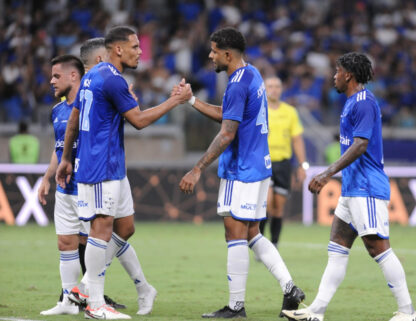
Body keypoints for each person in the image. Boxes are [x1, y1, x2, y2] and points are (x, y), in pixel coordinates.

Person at [56, 26, 191, 320]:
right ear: (117, 49)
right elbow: (139, 121)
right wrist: (175, 101)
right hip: (100, 165)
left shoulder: (94, 76)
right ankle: (94, 303)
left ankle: (114, 288)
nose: (140, 52)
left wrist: (67, 158)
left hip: (114, 166)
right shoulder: (111, 79)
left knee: (125, 227)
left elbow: (76, 116)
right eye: (134, 47)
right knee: (100, 229)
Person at [282, 52, 416, 321]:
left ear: (349, 75)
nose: (334, 75)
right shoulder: (350, 103)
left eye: (337, 71)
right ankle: (316, 311)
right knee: (337, 249)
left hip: (367, 187)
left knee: (378, 249)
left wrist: (327, 173)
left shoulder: (365, 102)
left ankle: (408, 312)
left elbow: (361, 144)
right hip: (352, 188)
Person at [178, 27, 305, 319]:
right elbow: (229, 113)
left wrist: (197, 169)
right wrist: (192, 101)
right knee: (252, 233)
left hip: (242, 169)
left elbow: (226, 134)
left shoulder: (236, 84)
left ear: (227, 53)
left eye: (213, 51)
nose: (210, 56)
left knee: (234, 233)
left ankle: (236, 307)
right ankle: (290, 288)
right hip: (260, 166)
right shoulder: (252, 74)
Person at [38, 54, 86, 316]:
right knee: (65, 243)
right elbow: (59, 148)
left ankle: (98, 296)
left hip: (90, 186)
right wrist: (46, 178)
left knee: (99, 242)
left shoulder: (92, 104)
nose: (51, 80)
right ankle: (68, 301)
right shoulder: (57, 110)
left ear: (73, 76)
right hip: (65, 187)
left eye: (57, 76)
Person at [259, 76, 307, 248]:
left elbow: (297, 139)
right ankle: (260, 245)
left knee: (278, 208)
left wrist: (302, 165)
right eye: (270, 86)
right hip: (264, 163)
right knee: (266, 204)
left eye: (277, 86)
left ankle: (275, 243)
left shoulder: (290, 112)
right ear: (264, 89)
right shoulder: (258, 110)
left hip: (284, 164)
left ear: (281, 89)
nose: (274, 89)